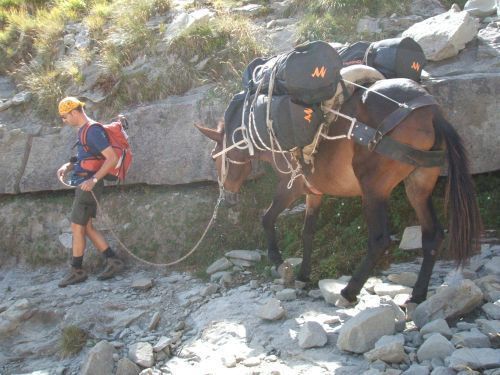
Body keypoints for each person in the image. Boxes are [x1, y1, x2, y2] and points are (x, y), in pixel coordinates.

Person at [56, 97, 124, 287]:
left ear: (74, 112)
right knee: (86, 227)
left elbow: (111, 158)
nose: (64, 120)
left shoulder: (92, 130)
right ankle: (113, 260)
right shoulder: (85, 131)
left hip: (88, 186)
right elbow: (87, 155)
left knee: (77, 227)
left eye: (64, 116)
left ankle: (77, 270)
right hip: (84, 183)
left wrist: (93, 180)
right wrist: (68, 165)